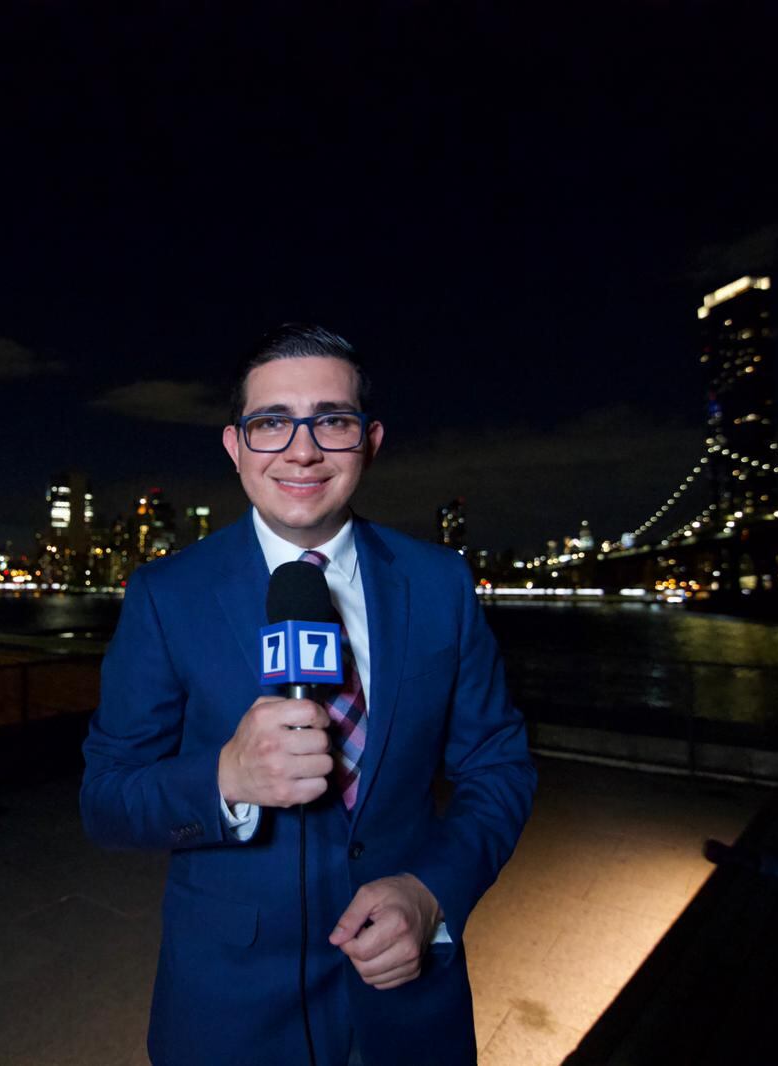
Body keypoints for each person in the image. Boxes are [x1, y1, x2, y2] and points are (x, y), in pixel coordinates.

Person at [80, 324, 536, 1066]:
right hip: (229, 1013)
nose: (302, 450)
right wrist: (224, 779)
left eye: (332, 421)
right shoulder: (166, 595)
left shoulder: (441, 584)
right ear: (235, 446)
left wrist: (430, 893)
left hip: (409, 1003)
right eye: (270, 423)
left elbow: (499, 766)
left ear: (370, 441)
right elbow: (105, 798)